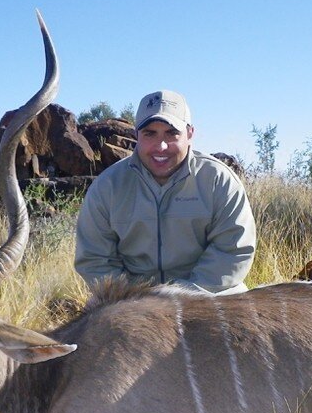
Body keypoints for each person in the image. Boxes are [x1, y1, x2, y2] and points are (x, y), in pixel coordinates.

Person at [75, 90, 256, 294]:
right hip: (133, 302)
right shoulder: (108, 186)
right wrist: (134, 299)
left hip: (208, 295)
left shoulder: (218, 180)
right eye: (150, 133)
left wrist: (179, 297)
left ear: (189, 134)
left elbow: (232, 252)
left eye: (172, 133)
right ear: (136, 135)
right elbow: (95, 260)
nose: (161, 146)